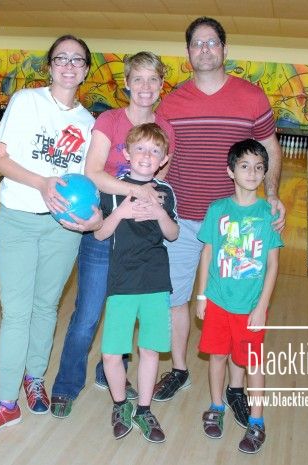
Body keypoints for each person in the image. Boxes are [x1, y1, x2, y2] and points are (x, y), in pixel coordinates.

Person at [152, 16, 286, 430]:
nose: (205, 49)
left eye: (212, 42)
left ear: (225, 49)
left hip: (235, 227)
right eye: (197, 43)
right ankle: (179, 369)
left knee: (236, 305)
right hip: (183, 219)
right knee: (176, 298)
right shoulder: (172, 102)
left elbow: (269, 148)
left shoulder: (252, 96)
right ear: (188, 52)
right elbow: (161, 158)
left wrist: (272, 194)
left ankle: (235, 389)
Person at [0, 34, 101, 439]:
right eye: (61, 58)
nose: (69, 65)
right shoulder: (26, 101)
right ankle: (7, 404)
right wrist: (43, 183)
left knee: (46, 307)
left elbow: (89, 181)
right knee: (16, 313)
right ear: (50, 66)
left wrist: (94, 216)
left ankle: (34, 377)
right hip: (19, 220)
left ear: (86, 70)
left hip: (63, 229)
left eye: (77, 59)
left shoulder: (89, 124)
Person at [49, 51, 175, 418]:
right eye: (138, 79)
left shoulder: (166, 130)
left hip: (138, 244)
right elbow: (93, 173)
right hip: (105, 228)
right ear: (127, 84)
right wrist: (133, 193)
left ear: (161, 85)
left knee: (127, 312)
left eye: (152, 79)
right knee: (88, 314)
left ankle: (110, 373)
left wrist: (148, 205)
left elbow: (158, 188)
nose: (145, 87)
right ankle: (67, 385)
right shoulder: (110, 120)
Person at [196, 138, 282, 454]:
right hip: (218, 300)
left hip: (250, 306)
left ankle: (256, 420)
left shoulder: (268, 214)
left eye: (259, 167)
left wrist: (262, 307)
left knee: (251, 363)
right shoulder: (217, 209)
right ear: (230, 171)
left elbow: (273, 265)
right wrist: (202, 296)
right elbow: (207, 253)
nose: (252, 172)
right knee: (217, 356)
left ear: (264, 173)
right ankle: (216, 406)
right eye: (244, 166)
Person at [95, 122, 178, 443]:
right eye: (140, 148)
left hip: (155, 280)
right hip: (122, 281)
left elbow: (173, 233)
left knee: (150, 350)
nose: (146, 155)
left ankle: (144, 409)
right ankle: (120, 405)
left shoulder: (165, 192)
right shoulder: (113, 189)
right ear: (127, 153)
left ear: (163, 159)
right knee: (111, 353)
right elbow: (100, 233)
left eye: (155, 151)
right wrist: (122, 213)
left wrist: (159, 212)